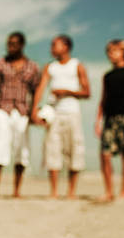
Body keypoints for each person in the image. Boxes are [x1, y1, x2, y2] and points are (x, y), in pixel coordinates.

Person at [31, 34, 90, 199]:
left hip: (72, 112)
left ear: (65, 46)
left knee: (74, 150)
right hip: (54, 114)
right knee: (52, 150)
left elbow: (87, 92)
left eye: (54, 45)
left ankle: (71, 192)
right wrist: (35, 110)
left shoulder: (77, 65)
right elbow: (41, 88)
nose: (51, 49)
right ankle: (54, 191)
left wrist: (66, 92)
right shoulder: (50, 67)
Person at [0, 31, 41, 197]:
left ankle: (16, 190)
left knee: (21, 149)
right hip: (3, 109)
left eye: (14, 44)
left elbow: (36, 89)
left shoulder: (32, 66)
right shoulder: (0, 63)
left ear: (22, 45)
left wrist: (33, 111)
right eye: (9, 43)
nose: (10, 47)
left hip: (22, 111)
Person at [94, 40, 124, 202]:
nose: (111, 54)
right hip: (109, 118)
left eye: (114, 50)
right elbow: (103, 99)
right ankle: (109, 191)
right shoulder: (107, 75)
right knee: (105, 154)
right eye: (109, 51)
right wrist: (98, 120)